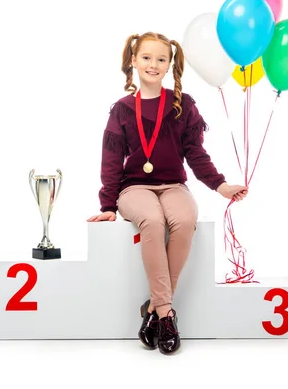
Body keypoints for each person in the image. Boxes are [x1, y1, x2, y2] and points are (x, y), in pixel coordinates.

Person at [87, 32, 247, 355]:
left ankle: (153, 310)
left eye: (161, 59)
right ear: (133, 61)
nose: (153, 64)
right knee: (152, 220)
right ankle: (167, 314)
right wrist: (108, 205)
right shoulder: (121, 109)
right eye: (146, 58)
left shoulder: (182, 104)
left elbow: (196, 154)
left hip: (173, 185)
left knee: (185, 218)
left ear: (169, 64)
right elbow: (111, 160)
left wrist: (221, 185)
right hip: (134, 187)